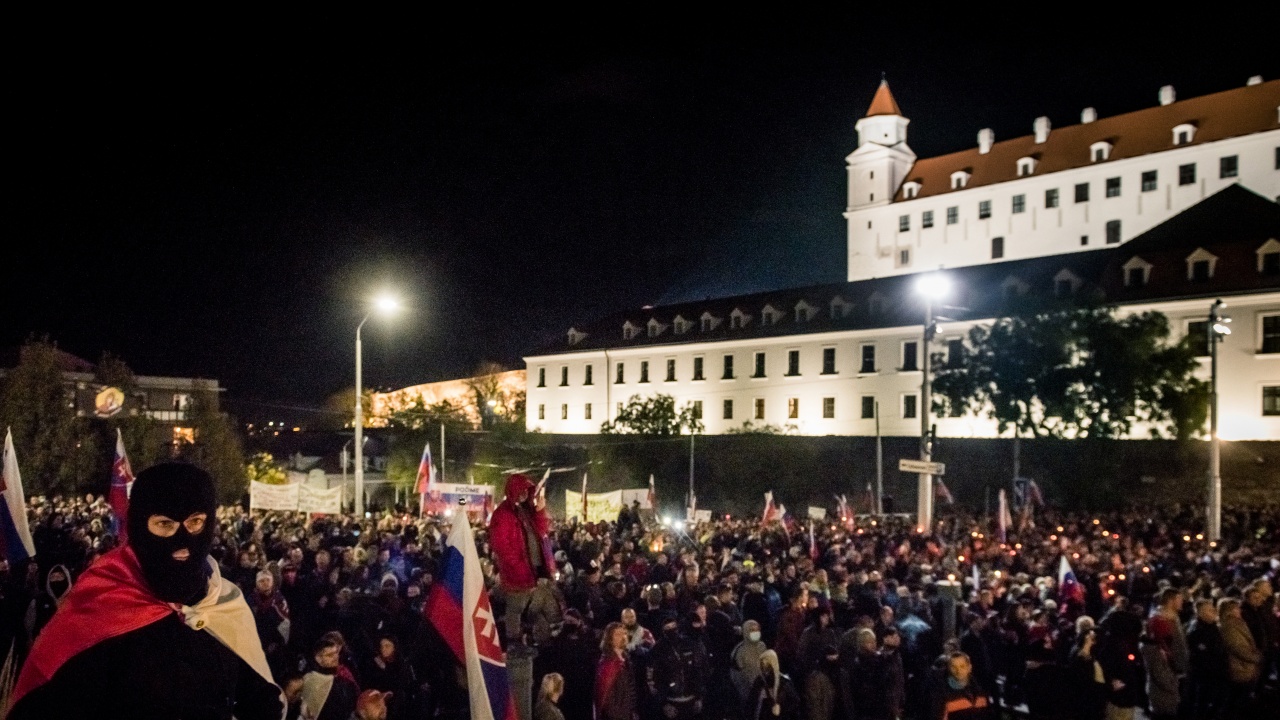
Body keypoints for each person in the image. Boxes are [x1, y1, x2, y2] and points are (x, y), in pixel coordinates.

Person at [8, 463, 284, 720]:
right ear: (140, 525)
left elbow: (257, 695)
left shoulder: (224, 603)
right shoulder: (101, 604)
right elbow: (41, 702)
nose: (183, 539)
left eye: (195, 522)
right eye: (165, 524)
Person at [489, 473, 556, 651]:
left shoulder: (525, 511)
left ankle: (530, 639)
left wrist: (540, 511)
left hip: (533, 569)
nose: (525, 494)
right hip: (518, 571)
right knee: (516, 607)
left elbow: (541, 531)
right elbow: (502, 546)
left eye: (527, 490)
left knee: (529, 606)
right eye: (522, 490)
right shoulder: (503, 514)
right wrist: (518, 567)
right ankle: (514, 643)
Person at [301, 636, 360, 720]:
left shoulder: (342, 679)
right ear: (318, 659)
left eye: (336, 653)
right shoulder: (311, 679)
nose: (335, 657)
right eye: (330, 655)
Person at [928, 651, 994, 720]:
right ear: (948, 669)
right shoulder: (942, 694)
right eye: (954, 667)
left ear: (969, 667)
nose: (958, 670)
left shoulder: (980, 691)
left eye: (962, 666)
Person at [595, 622, 637, 720]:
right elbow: (606, 699)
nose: (623, 637)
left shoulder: (626, 659)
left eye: (624, 633)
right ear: (609, 639)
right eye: (618, 634)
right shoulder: (608, 663)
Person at [748, 649, 801, 720]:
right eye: (762, 665)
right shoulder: (759, 681)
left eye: (767, 667)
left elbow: (795, 702)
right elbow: (751, 703)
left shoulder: (784, 682)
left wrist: (781, 708)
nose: (765, 670)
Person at [732, 619, 768, 708]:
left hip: (762, 689)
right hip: (747, 691)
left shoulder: (762, 646)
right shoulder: (740, 651)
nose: (755, 633)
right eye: (752, 630)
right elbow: (736, 674)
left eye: (757, 630)